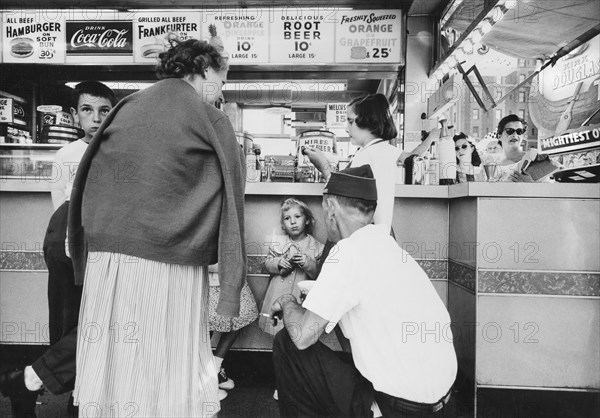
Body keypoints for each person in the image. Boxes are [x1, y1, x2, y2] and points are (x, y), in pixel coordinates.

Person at [68, 37, 246, 417]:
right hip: (167, 258)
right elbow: (233, 195)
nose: (222, 89)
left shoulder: (127, 106)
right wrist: (231, 285)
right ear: (203, 70)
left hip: (105, 259)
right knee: (163, 363)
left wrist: (80, 250)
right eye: (222, 78)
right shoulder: (210, 116)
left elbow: (86, 178)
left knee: (112, 361)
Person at [270, 165, 457, 417]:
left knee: (287, 343)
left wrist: (286, 300)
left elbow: (303, 336)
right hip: (441, 403)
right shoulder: (390, 248)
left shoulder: (347, 252)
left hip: (400, 407)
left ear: (331, 208)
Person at [0, 81, 115, 418]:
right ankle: (73, 398)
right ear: (75, 116)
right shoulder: (66, 155)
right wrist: (71, 255)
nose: (96, 118)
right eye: (87, 110)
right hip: (70, 244)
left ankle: (31, 382)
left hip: (105, 245)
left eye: (104, 111)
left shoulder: (119, 150)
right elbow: (61, 208)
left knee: (100, 322)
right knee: (70, 323)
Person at [258, 198, 323, 336]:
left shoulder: (317, 246)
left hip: (300, 298)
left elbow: (318, 274)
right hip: (278, 294)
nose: (293, 222)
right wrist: (278, 262)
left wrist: (307, 263)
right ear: (283, 224)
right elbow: (267, 263)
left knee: (298, 331)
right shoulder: (278, 242)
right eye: (287, 218)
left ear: (307, 220)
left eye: (297, 217)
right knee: (278, 329)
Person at [207, 263, 258, 401]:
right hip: (206, 282)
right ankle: (205, 382)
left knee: (240, 315)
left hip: (230, 280)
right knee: (205, 327)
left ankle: (215, 369)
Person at [495, 114, 546, 182]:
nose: (515, 135)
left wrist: (530, 184)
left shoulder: (535, 161)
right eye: (510, 131)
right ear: (499, 136)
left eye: (519, 131)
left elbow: (548, 190)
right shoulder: (491, 165)